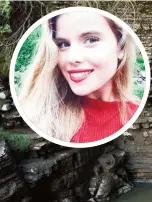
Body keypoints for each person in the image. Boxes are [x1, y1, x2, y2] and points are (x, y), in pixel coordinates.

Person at [17, 9, 140, 143]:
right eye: (63, 44)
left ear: (120, 48)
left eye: (91, 40)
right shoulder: (40, 118)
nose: (72, 58)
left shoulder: (137, 112)